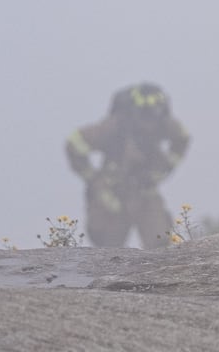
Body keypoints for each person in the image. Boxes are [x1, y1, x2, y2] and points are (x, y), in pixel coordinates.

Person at [65, 83, 191, 248]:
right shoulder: (114, 126)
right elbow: (74, 143)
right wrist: (93, 179)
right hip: (113, 194)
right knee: (107, 249)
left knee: (160, 240)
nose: (152, 121)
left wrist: (161, 170)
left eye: (157, 114)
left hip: (145, 191)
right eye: (147, 115)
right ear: (135, 112)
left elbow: (183, 138)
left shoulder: (163, 123)